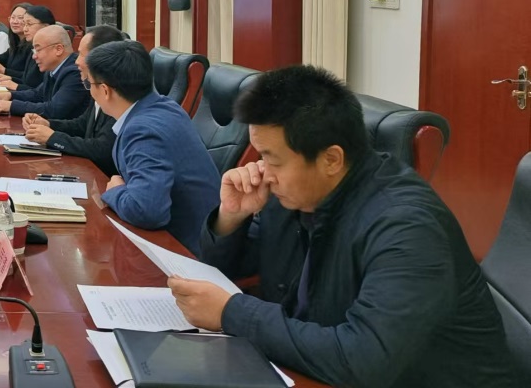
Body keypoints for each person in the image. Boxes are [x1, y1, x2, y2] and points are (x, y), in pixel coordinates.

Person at [171, 66, 516, 388]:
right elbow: (229, 274)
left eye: (273, 159)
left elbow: (364, 360)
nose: (263, 171)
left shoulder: (407, 227)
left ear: (331, 159)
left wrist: (232, 313)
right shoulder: (296, 193)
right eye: (260, 155)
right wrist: (231, 218)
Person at [87, 40, 219, 253]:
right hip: (197, 234)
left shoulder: (141, 130)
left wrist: (116, 191)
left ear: (105, 90)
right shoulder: (166, 106)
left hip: (185, 249)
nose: (89, 91)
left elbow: (146, 211)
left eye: (89, 84)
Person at [21, 25, 128, 176]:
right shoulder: (96, 85)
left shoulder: (118, 93)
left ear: (100, 59)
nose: (76, 61)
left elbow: (102, 149)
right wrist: (48, 124)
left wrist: (52, 137)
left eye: (81, 55)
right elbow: (82, 124)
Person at [0, 26, 89, 120]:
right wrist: (10, 95)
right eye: (34, 51)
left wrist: (11, 106)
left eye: (38, 50)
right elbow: (37, 95)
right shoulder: (53, 68)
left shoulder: (75, 73)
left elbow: (54, 110)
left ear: (58, 49)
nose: (34, 56)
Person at [0, 5, 56, 91]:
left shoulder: (49, 53)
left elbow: (41, 92)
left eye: (29, 24)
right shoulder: (24, 45)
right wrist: (11, 79)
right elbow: (29, 82)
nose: (25, 29)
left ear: (45, 27)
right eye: (12, 17)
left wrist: (13, 82)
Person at [0, 3, 31, 75]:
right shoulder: (16, 43)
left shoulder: (33, 46)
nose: (15, 21)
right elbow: (2, 58)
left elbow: (30, 77)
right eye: (13, 17)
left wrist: (4, 71)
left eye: (20, 18)